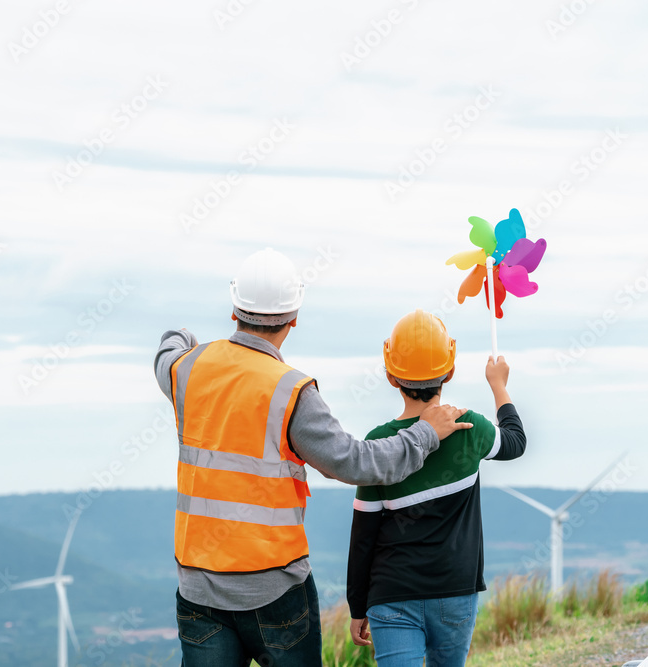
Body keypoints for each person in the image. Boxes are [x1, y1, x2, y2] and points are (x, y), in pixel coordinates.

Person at [154, 249, 474, 667]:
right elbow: (358, 462)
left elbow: (165, 355)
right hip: (275, 589)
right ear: (294, 317)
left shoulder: (187, 370)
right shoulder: (291, 392)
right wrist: (426, 433)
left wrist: (181, 336)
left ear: (235, 310)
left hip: (198, 586)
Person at [346, 309, 527, 667]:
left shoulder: (379, 443)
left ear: (391, 376)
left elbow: (363, 534)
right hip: (455, 591)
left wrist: (357, 605)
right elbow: (515, 442)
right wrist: (499, 385)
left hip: (391, 594)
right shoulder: (470, 427)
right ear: (451, 369)